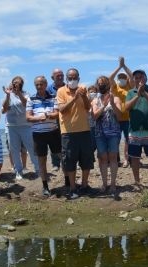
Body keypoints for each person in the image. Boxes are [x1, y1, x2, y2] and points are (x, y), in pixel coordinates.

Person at [56, 68, 94, 199]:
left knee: (86, 159)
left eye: (75, 77)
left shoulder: (83, 88)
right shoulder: (61, 91)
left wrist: (83, 96)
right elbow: (62, 109)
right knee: (70, 160)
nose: (73, 80)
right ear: (66, 79)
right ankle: (72, 188)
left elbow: (88, 107)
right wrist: (74, 97)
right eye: (70, 78)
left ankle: (84, 185)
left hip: (84, 130)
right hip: (68, 132)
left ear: (79, 78)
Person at [125, 69, 148, 188]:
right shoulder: (130, 92)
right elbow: (127, 107)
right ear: (134, 80)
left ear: (145, 78)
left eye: (141, 77)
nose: (139, 79)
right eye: (137, 77)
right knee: (134, 158)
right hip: (135, 130)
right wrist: (137, 95)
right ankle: (137, 182)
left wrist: (144, 93)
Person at [26, 76, 60, 197]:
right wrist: (38, 118)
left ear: (46, 84)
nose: (39, 87)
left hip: (53, 132)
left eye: (41, 84)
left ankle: (67, 181)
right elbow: (28, 117)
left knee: (61, 156)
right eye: (37, 85)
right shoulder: (31, 99)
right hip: (38, 134)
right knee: (42, 160)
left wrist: (51, 115)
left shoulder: (53, 97)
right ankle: (45, 186)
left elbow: (58, 113)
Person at [2, 76, 38, 181]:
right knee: (14, 150)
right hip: (11, 127)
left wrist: (19, 93)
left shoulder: (26, 94)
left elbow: (26, 104)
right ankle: (18, 171)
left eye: (18, 83)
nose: (15, 84)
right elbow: (4, 109)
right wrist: (8, 95)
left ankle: (38, 169)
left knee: (31, 148)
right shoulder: (8, 95)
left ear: (21, 84)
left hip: (26, 126)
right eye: (14, 83)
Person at [92, 76, 123, 195]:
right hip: (100, 134)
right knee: (103, 158)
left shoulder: (115, 98)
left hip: (114, 133)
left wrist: (112, 104)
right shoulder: (95, 100)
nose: (101, 85)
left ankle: (113, 184)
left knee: (113, 157)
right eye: (99, 84)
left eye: (104, 83)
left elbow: (120, 116)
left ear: (109, 85)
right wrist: (104, 105)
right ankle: (105, 183)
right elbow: (94, 116)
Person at [109, 57, 134, 168]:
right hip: (117, 118)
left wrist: (124, 66)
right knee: (116, 140)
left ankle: (127, 159)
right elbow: (110, 77)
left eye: (124, 77)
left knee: (128, 140)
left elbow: (132, 76)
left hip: (128, 118)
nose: (122, 79)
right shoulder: (115, 87)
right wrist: (119, 67)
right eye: (120, 77)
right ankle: (116, 159)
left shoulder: (129, 86)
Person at [47, 68, 65, 171]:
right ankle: (55, 163)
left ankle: (66, 161)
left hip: (65, 118)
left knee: (66, 141)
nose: (60, 77)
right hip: (53, 118)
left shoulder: (67, 87)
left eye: (61, 75)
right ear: (52, 77)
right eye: (57, 75)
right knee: (53, 141)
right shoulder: (48, 89)